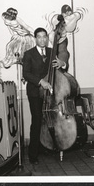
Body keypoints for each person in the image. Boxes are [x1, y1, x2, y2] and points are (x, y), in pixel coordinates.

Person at [22, 27, 66, 165]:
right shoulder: (28, 54)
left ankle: (46, 146)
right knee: (37, 121)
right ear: (35, 38)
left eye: (44, 36)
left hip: (50, 93)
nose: (42, 39)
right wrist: (41, 81)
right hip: (35, 92)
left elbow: (62, 66)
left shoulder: (52, 52)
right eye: (39, 37)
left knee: (49, 119)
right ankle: (33, 155)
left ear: (47, 38)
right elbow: (26, 74)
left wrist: (62, 63)